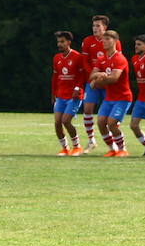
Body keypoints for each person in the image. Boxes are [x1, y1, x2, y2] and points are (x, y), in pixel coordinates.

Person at [89, 30, 133, 156]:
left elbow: (114, 78)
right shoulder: (101, 59)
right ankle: (112, 149)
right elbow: (92, 75)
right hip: (109, 98)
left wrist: (99, 79)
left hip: (123, 97)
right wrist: (99, 75)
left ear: (115, 42)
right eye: (103, 39)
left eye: (108, 39)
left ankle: (122, 149)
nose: (104, 42)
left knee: (111, 123)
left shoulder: (120, 58)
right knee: (101, 122)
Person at [79, 15, 118, 151]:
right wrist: (94, 77)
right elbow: (85, 61)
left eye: (98, 26)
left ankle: (115, 143)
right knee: (87, 109)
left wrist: (106, 77)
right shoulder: (87, 41)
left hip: (108, 81)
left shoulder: (113, 41)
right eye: (93, 26)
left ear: (105, 27)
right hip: (93, 80)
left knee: (110, 114)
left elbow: (117, 60)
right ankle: (91, 140)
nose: (94, 28)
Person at [51, 31, 87, 155]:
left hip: (74, 95)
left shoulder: (78, 57)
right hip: (60, 95)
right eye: (58, 42)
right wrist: (53, 93)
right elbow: (55, 77)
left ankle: (77, 147)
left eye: (62, 42)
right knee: (57, 122)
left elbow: (83, 76)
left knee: (66, 120)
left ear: (69, 43)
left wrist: (77, 89)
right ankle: (65, 148)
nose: (59, 44)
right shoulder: (56, 58)